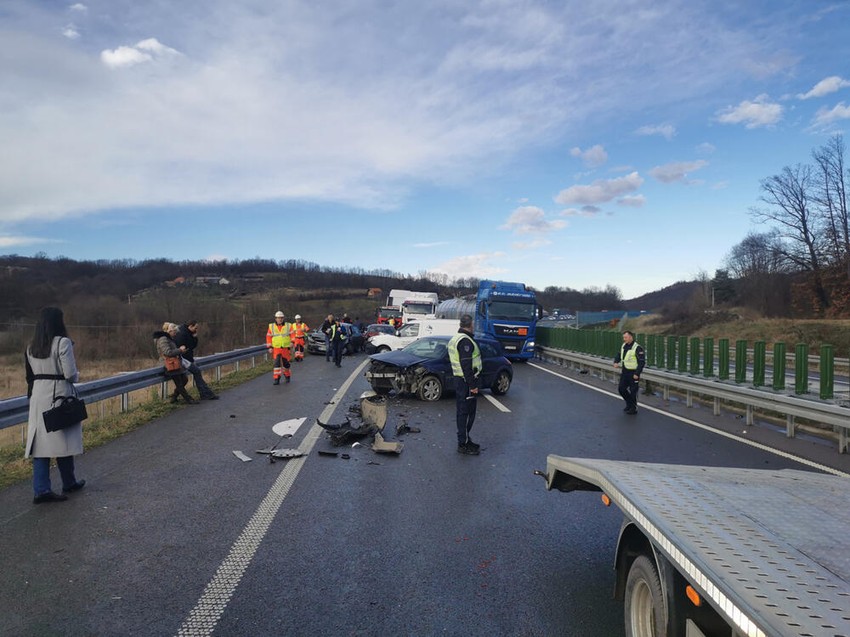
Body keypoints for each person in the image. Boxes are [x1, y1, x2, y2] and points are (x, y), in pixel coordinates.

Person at [24, 306, 86, 503]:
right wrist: (77, 376)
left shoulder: (30, 347)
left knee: (41, 446)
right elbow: (70, 374)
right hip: (59, 394)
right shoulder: (63, 343)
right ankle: (68, 481)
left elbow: (30, 376)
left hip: (38, 396)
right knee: (63, 438)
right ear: (58, 322)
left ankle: (41, 489)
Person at [448, 314, 482, 455]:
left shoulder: (456, 338)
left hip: (461, 381)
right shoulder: (465, 341)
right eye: (473, 324)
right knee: (466, 413)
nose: (474, 326)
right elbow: (466, 365)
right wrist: (473, 385)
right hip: (466, 382)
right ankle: (463, 444)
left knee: (463, 412)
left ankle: (465, 440)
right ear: (470, 325)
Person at [154, 323, 199, 404]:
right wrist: (180, 350)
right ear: (169, 331)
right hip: (168, 364)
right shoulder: (163, 339)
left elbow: (171, 351)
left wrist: (180, 351)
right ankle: (188, 399)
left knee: (184, 380)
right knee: (179, 382)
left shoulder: (169, 338)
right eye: (174, 332)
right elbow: (167, 352)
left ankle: (174, 397)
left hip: (174, 362)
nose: (175, 334)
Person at [173, 320, 218, 400]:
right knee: (194, 373)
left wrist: (195, 337)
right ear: (190, 326)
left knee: (185, 378)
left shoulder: (188, 333)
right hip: (183, 359)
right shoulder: (182, 334)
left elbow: (193, 346)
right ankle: (205, 393)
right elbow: (185, 347)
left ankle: (174, 397)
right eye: (195, 328)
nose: (196, 330)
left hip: (186, 358)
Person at [614, 330, 645, 415]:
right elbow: (619, 354)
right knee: (621, 389)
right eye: (623, 337)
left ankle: (633, 408)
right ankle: (629, 404)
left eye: (626, 337)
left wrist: (637, 373)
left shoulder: (637, 348)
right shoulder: (624, 345)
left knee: (633, 391)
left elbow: (641, 362)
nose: (624, 339)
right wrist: (616, 361)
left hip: (633, 373)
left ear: (631, 337)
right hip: (625, 372)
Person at [266, 311, 293, 384]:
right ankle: (276, 379)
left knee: (286, 364)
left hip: (285, 348)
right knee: (276, 364)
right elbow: (268, 337)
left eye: (281, 318)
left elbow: (292, 335)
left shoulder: (288, 325)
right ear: (276, 318)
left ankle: (287, 376)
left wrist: (292, 342)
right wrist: (270, 347)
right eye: (278, 318)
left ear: (283, 318)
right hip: (276, 348)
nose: (280, 319)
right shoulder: (271, 326)